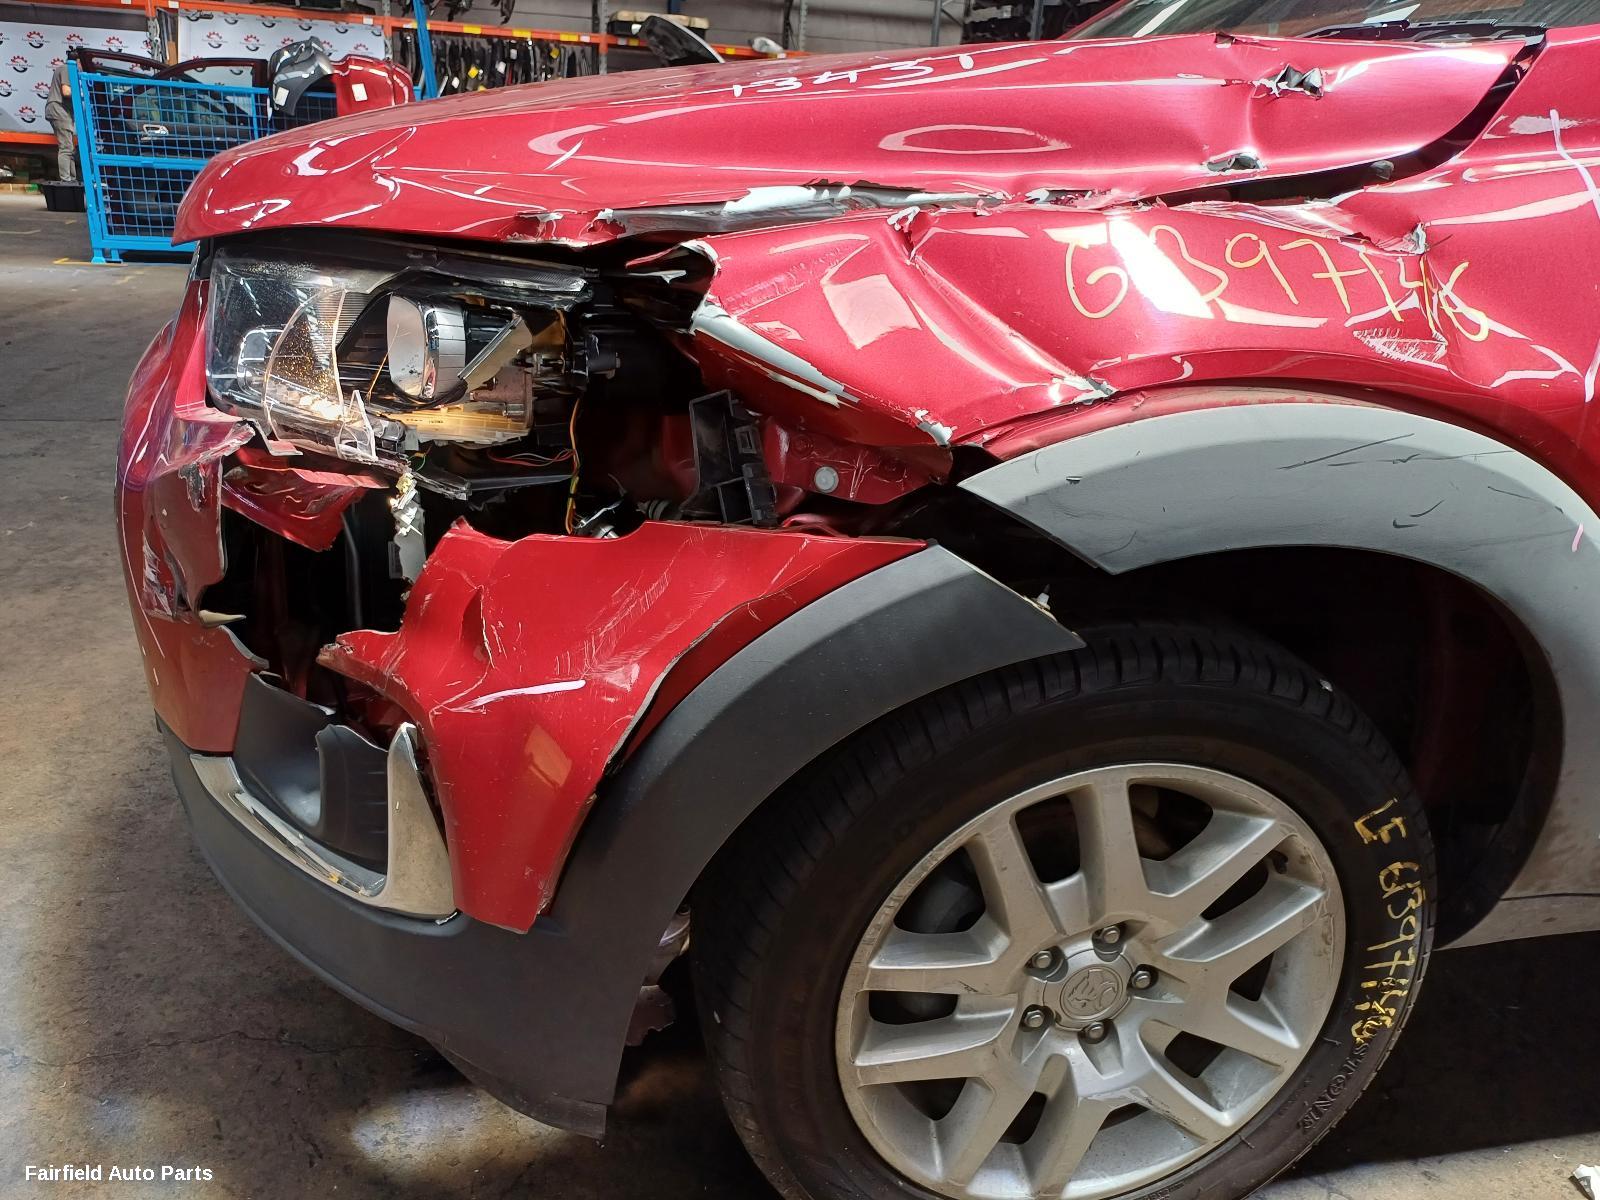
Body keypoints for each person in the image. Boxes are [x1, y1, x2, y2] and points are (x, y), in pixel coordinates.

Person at [45, 60, 77, 183]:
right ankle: (66, 181)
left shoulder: (66, 69)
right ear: (78, 61)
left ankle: (72, 180)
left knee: (69, 148)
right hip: (59, 109)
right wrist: (81, 94)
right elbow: (66, 91)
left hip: (61, 110)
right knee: (66, 147)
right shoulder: (67, 68)